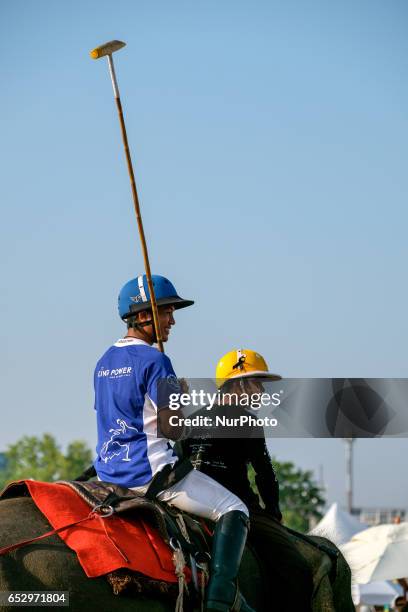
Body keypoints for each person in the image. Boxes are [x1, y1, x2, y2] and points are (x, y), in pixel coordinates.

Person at [93, 275, 254, 612]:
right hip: (151, 476)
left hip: (108, 475)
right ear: (142, 316)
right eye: (166, 312)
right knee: (236, 508)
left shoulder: (103, 363)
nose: (173, 320)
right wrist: (178, 398)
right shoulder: (156, 362)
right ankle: (220, 605)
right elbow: (173, 430)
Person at [181, 348, 314, 611]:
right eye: (257, 383)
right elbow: (265, 475)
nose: (262, 392)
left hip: (191, 501)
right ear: (239, 383)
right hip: (239, 507)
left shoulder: (192, 419)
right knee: (298, 570)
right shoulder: (249, 422)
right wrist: (273, 513)